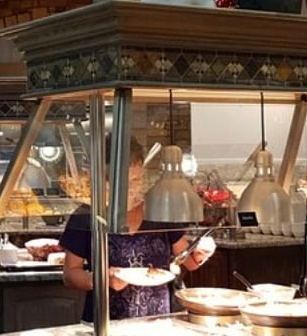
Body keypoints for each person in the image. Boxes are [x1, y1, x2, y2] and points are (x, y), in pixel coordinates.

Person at [60, 137, 214, 321]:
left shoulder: (159, 209)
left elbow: (188, 261)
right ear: (105, 181)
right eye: (127, 183)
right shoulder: (86, 216)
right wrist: (101, 279)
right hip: (106, 325)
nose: (134, 189)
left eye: (138, 180)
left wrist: (201, 252)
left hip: (161, 322)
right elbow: (70, 275)